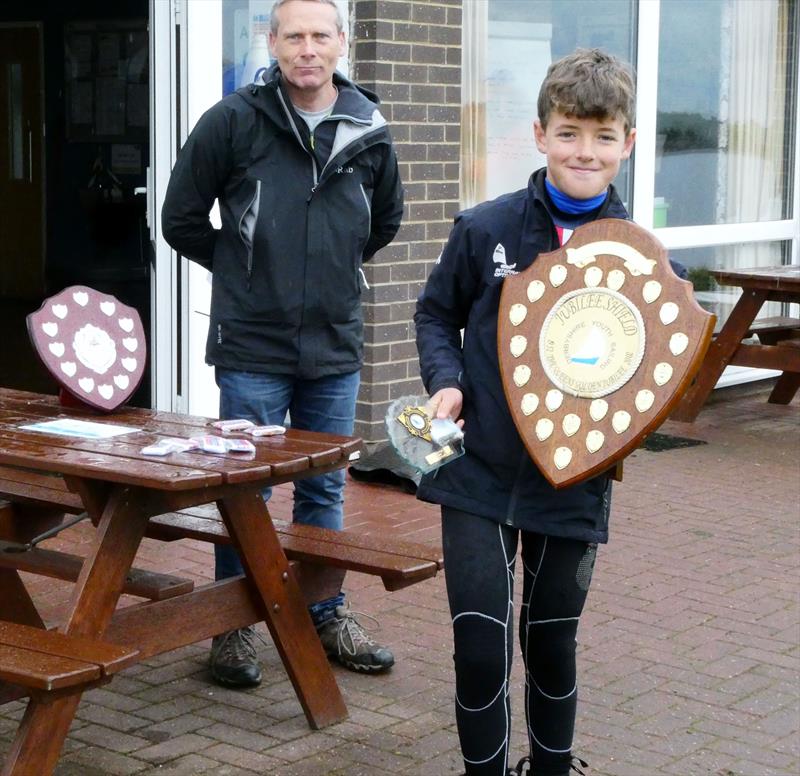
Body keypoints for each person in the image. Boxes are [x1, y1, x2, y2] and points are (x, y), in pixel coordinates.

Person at [415, 49, 685, 776]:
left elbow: (663, 373)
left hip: (572, 481)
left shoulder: (652, 268)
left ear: (627, 143)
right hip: (475, 470)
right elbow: (436, 315)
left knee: (550, 640)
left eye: (602, 137)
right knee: (479, 646)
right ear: (539, 133)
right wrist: (447, 382)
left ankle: (554, 768)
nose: (584, 152)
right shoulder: (486, 229)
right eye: (568, 133)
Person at [161, 0, 403, 687]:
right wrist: (244, 267)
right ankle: (232, 624)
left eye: (319, 35)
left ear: (340, 43)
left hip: (334, 343)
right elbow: (180, 217)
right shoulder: (233, 121)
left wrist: (330, 270)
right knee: (247, 490)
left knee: (324, 489)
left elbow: (384, 220)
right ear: (272, 42)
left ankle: (325, 610)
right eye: (292, 35)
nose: (307, 48)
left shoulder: (369, 128)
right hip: (252, 344)